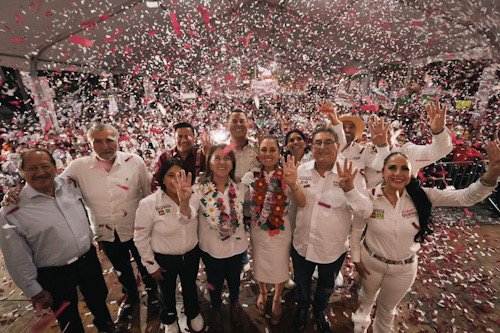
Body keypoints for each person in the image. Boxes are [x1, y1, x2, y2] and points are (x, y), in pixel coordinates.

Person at [351, 141, 500, 333]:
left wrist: (491, 176)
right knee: (366, 297)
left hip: (404, 270)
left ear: (411, 172)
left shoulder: (423, 196)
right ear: (383, 171)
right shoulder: (369, 197)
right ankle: (361, 321)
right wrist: (355, 258)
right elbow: (356, 229)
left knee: (387, 311)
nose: (398, 173)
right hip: (371, 262)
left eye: (404, 168)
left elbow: (466, 197)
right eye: (392, 168)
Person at [0, 149, 115, 333]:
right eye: (32, 168)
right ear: (22, 172)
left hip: (87, 261)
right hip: (54, 273)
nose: (40, 172)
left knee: (99, 300)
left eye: (45, 166)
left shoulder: (70, 184)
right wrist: (33, 290)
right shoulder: (12, 210)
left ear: (55, 167)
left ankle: (108, 329)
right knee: (68, 318)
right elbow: (15, 256)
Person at [61, 124, 157, 325]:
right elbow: (54, 187)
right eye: (97, 141)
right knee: (121, 267)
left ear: (118, 139)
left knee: (145, 264)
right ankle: (131, 295)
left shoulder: (135, 162)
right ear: (89, 143)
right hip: (106, 233)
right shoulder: (78, 167)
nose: (104, 146)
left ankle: (153, 295)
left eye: (109, 140)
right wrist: (17, 194)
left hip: (137, 228)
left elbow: (148, 195)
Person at [292, 127, 373, 333]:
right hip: (302, 245)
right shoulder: (301, 170)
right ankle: (302, 310)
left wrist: (350, 190)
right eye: (317, 142)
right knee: (302, 286)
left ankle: (319, 312)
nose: (322, 147)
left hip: (331, 249)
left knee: (325, 289)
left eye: (328, 142)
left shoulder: (349, 173)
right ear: (312, 147)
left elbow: (365, 211)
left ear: (338, 146)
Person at [176, 144, 248, 332]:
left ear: (232, 163)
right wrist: (183, 203)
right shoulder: (198, 189)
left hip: (237, 247)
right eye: (217, 158)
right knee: (214, 283)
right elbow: (187, 216)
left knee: (234, 281)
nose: (222, 162)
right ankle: (216, 308)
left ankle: (234, 305)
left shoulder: (240, 186)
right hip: (211, 249)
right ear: (209, 162)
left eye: (226, 158)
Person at [134, 158, 204, 333]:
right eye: (170, 175)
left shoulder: (194, 197)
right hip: (164, 259)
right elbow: (140, 237)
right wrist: (151, 265)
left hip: (190, 254)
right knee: (166, 292)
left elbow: (186, 218)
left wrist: (185, 201)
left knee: (189, 286)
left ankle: (193, 313)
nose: (176, 180)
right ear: (162, 179)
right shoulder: (148, 204)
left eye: (180, 175)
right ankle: (169, 319)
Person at [241, 136, 306, 325]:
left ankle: (277, 298)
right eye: (264, 150)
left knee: (280, 264)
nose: (268, 154)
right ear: (258, 153)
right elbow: (238, 200)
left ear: (279, 153)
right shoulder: (250, 176)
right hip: (258, 230)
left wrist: (293, 183)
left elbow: (302, 202)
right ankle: (262, 292)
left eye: (272, 150)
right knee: (260, 262)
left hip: (281, 229)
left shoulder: (288, 173)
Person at [364, 101, 453, 188]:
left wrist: (439, 132)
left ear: (392, 134)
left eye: (387, 132)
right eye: (377, 133)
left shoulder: (408, 152)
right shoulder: (365, 153)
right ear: (371, 137)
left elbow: (440, 150)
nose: (383, 136)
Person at [152, 122, 208, 189]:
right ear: (174, 138)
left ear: (194, 138)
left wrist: (209, 154)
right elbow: (156, 181)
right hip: (171, 198)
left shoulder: (202, 155)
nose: (183, 140)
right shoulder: (165, 157)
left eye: (187, 136)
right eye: (180, 137)